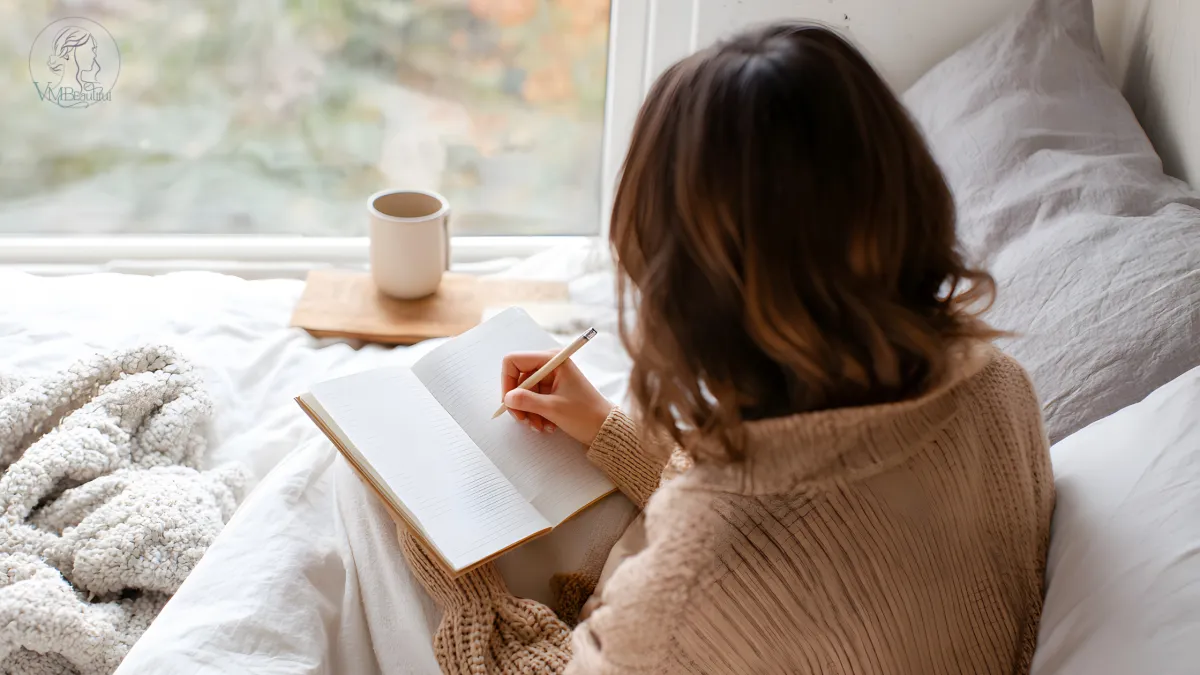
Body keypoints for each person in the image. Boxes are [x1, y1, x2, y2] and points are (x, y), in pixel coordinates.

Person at [397, 21, 1054, 674]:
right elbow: (814, 498)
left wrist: (473, 593)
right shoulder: (1000, 389)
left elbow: (748, 553)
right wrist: (605, 429)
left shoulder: (692, 588)